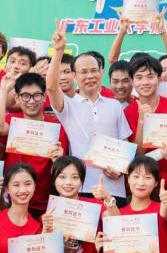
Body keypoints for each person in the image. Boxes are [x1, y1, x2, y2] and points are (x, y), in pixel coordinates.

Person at [46, 27, 133, 201]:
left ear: (101, 72)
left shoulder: (115, 105)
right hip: (81, 188)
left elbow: (125, 145)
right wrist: (59, 50)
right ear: (74, 76)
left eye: (94, 70)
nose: (90, 76)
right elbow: (51, 87)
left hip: (114, 188)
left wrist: (121, 169)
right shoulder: (68, 105)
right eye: (84, 72)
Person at [0, 71, 69, 215]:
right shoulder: (13, 121)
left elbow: (62, 167)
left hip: (44, 202)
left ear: (45, 97)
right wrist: (4, 90)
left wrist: (58, 159)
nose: (31, 101)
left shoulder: (57, 128)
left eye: (37, 95)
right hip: (13, 199)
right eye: (25, 96)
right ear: (17, 98)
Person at [125, 54, 167, 198]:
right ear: (132, 81)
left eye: (150, 76)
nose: (145, 82)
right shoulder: (126, 113)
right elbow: (137, 156)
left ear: (159, 79)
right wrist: (142, 121)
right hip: (143, 188)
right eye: (139, 77)